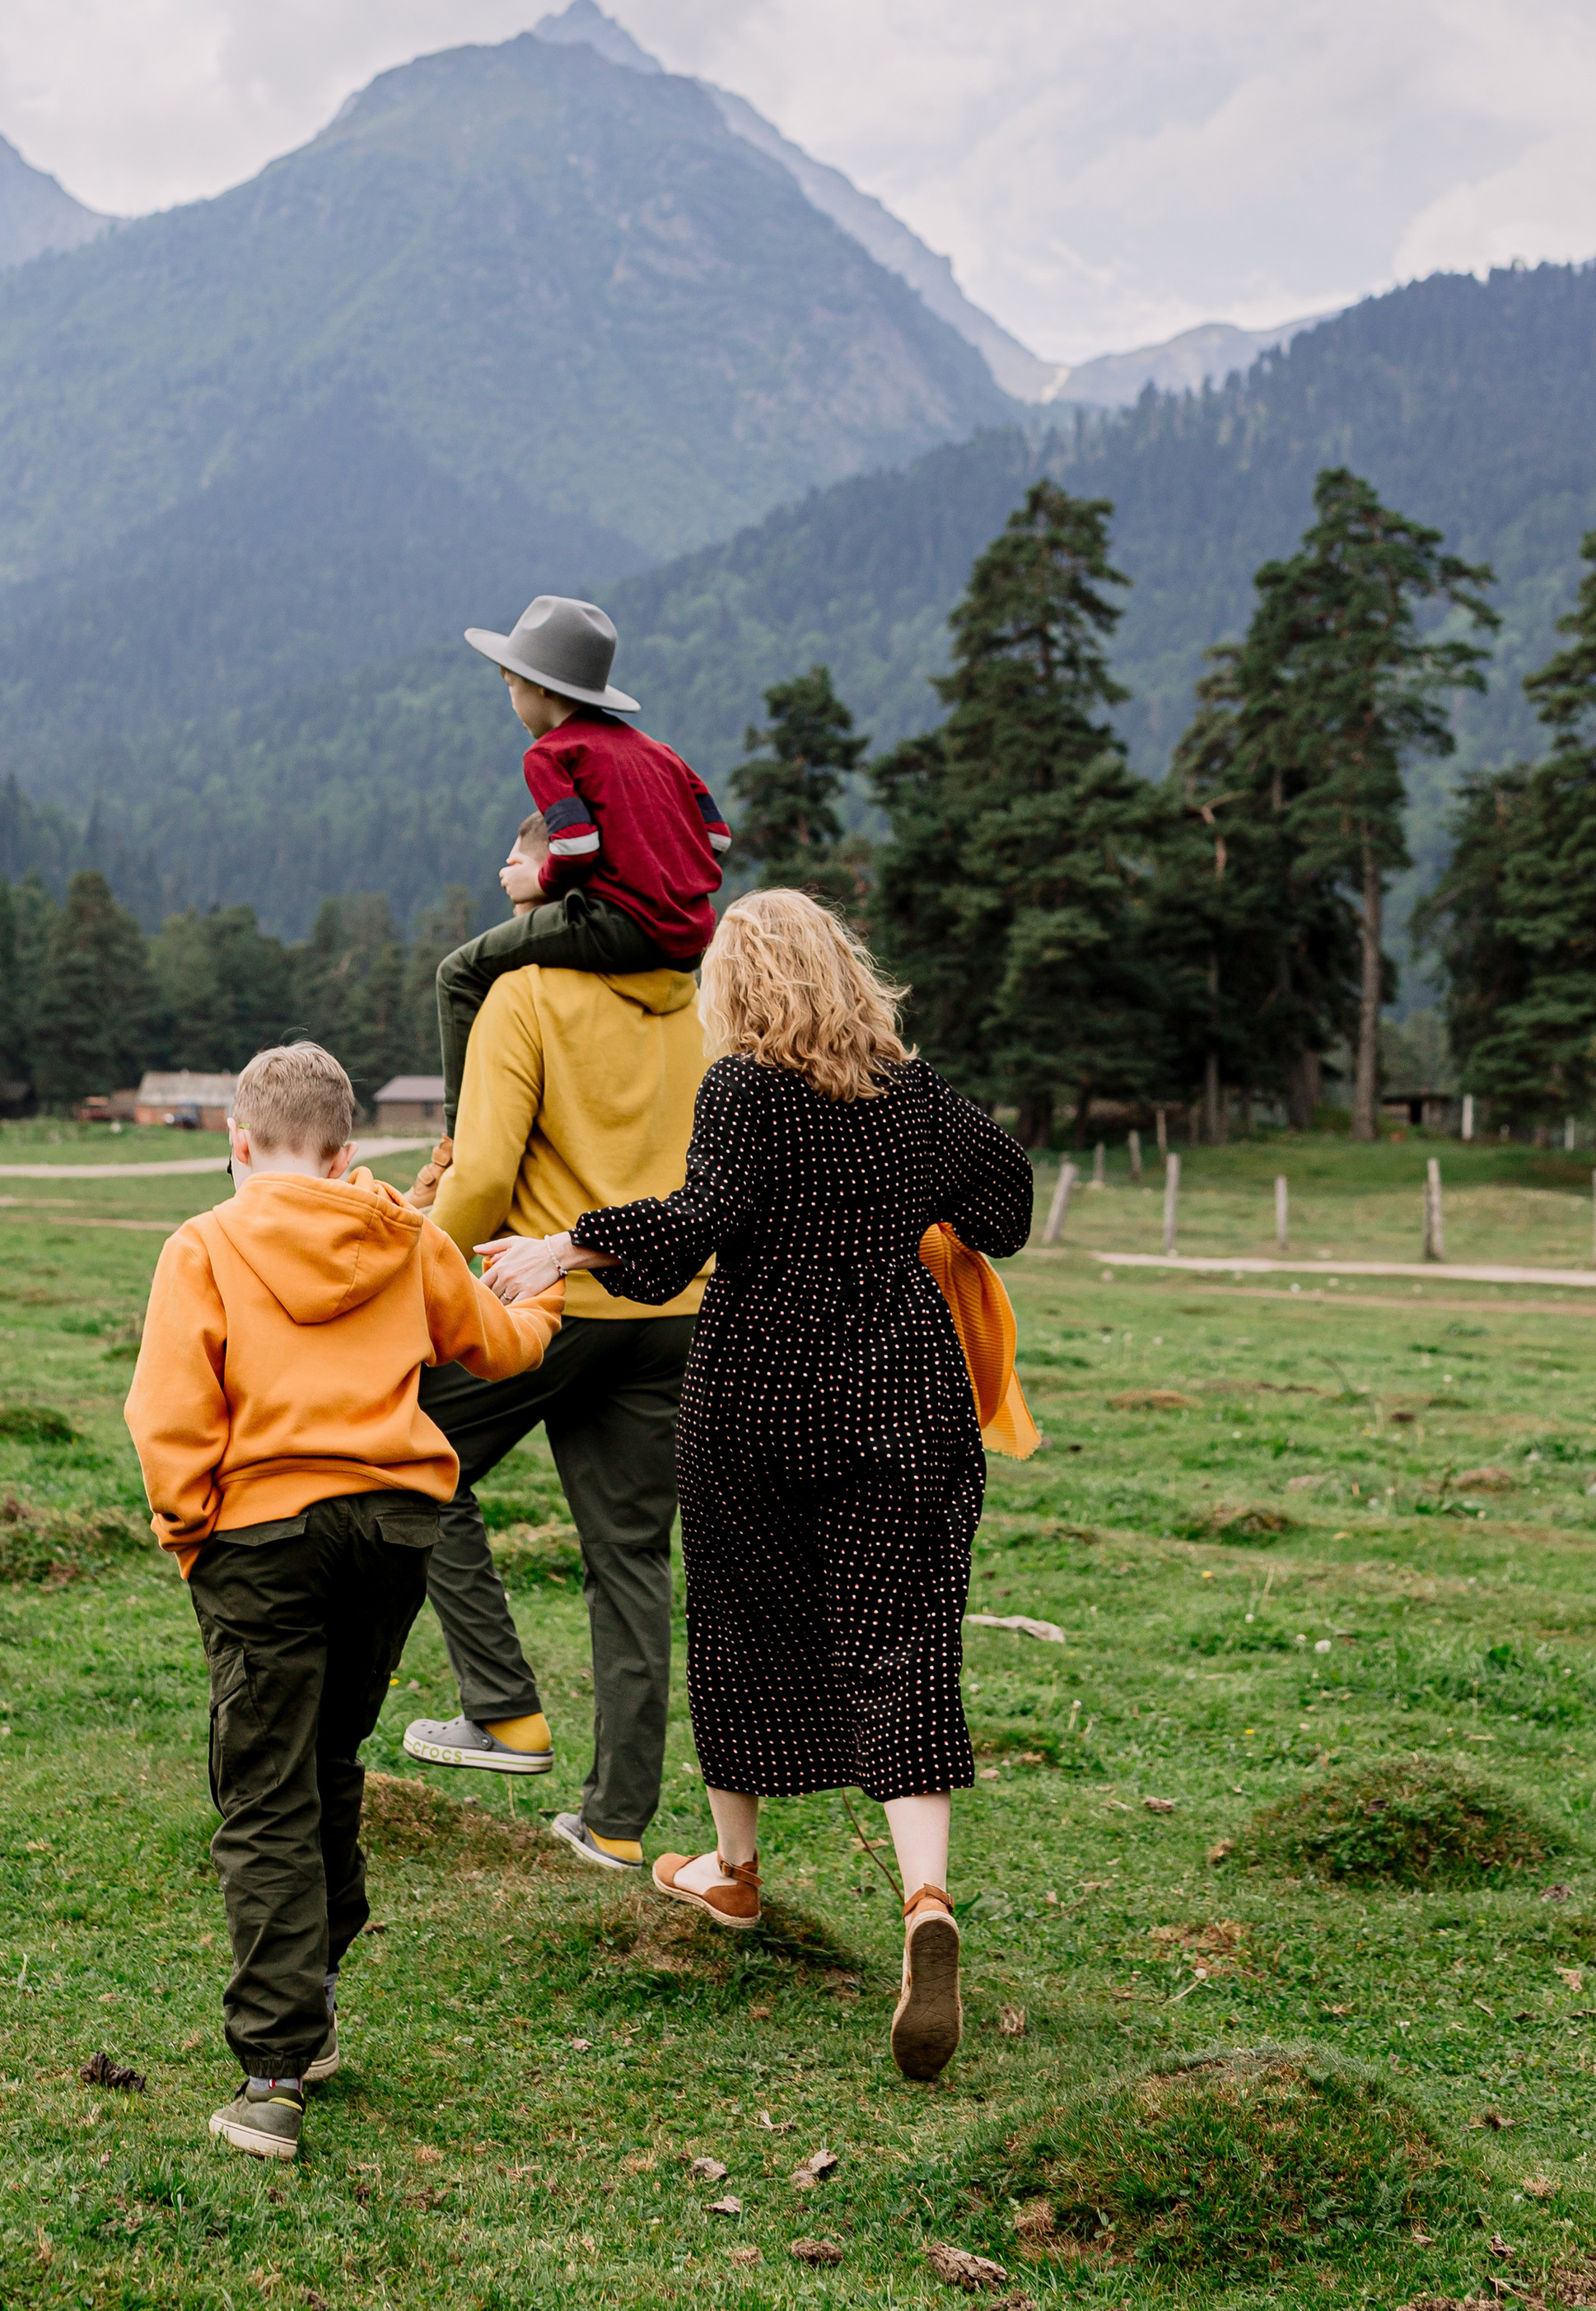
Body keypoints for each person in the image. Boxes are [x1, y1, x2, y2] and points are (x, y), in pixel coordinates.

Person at [480, 888, 1032, 2082]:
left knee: (737, 1623)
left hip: (760, 1394)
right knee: (903, 1647)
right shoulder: (916, 1097)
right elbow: (1009, 1203)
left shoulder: (742, 1090)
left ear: (743, 988)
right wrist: (914, 1212)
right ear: (845, 975)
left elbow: (703, 1217)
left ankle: (734, 1875)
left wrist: (562, 1246)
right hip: (902, 1391)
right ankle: (925, 1900)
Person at [123, 1039, 562, 2164]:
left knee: (265, 1790)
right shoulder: (405, 1236)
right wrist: (548, 1297)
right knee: (327, 1764)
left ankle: (272, 2075)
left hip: (262, 1534)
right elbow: (501, 1345)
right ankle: (311, 2003)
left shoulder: (205, 1243)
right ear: (347, 1150)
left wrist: (190, 1540)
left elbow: (171, 1417)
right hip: (394, 1528)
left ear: (237, 1146)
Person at [399, 810, 710, 1872]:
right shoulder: (696, 1005)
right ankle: (618, 1823)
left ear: (569, 877)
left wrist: (414, 1267)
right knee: (630, 1561)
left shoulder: (518, 993)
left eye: (519, 851)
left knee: (413, 1452)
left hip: (554, 1302)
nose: (500, 866)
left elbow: (482, 1177)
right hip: (673, 1308)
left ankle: (504, 1713)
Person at [424, 592, 730, 1165]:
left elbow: (577, 845)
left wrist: (540, 882)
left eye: (510, 684)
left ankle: (458, 1143)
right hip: (689, 938)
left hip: (620, 923)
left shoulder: (551, 752)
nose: (511, 698)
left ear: (540, 687)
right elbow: (717, 836)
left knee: (457, 974)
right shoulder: (660, 754)